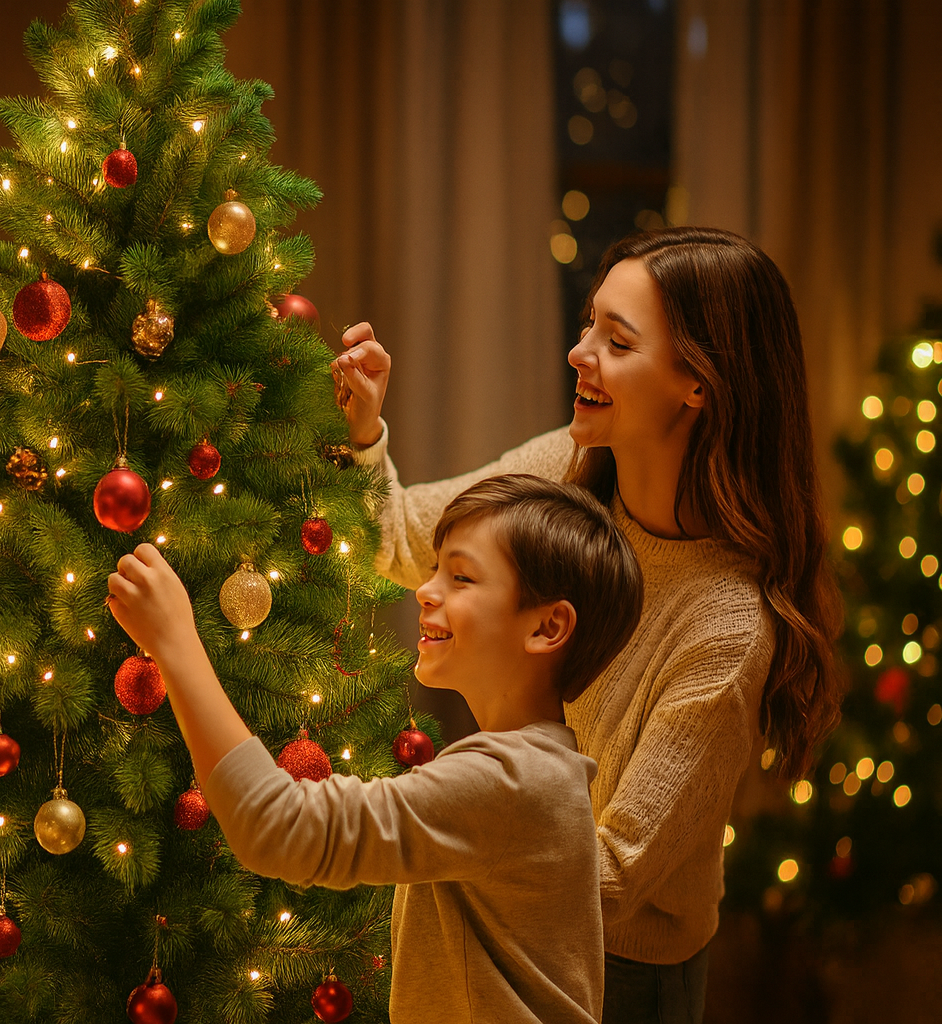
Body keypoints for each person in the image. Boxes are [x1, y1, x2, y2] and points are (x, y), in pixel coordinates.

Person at [329, 226, 845, 1023]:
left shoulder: (727, 626)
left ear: (696, 385)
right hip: (507, 911)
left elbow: (613, 873)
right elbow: (397, 537)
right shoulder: (563, 474)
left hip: (621, 975)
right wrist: (366, 430)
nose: (579, 354)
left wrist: (424, 822)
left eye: (617, 341)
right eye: (587, 326)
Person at [107, 474, 645, 1024]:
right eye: (435, 569)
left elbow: (275, 825)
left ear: (548, 626)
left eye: (461, 576)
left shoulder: (513, 780)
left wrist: (176, 641)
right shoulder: (533, 770)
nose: (426, 589)